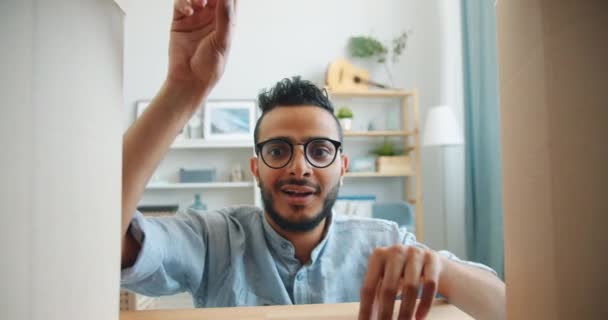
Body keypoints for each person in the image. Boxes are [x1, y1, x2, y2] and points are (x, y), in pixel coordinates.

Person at [121, 1, 506, 319]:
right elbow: (102, 234)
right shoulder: (213, 240)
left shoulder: (385, 241)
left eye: (320, 150)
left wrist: (444, 271)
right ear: (256, 169)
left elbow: (507, 306)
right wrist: (182, 89)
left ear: (343, 166)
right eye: (278, 150)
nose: (299, 167)